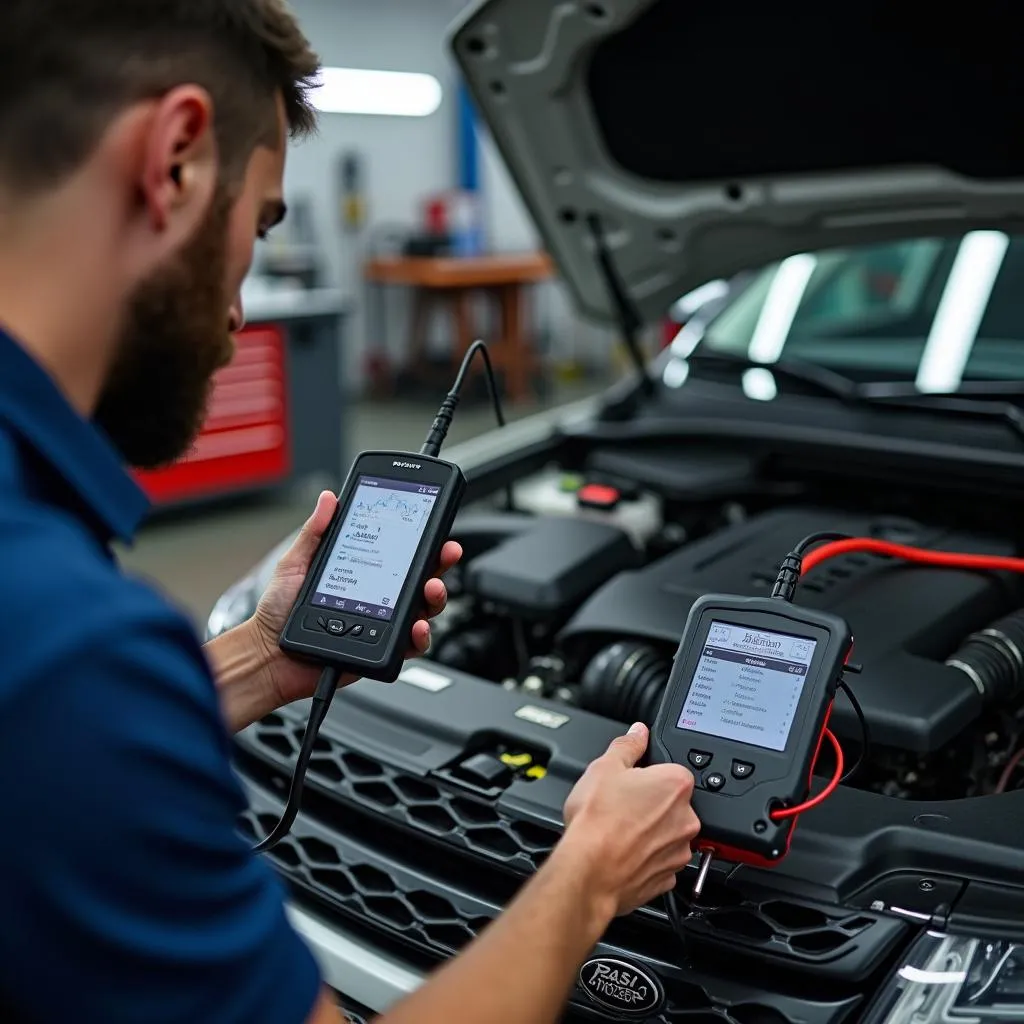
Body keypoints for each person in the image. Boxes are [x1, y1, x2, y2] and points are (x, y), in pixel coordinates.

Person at [0, 2, 702, 1021]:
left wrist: (258, 656)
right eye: (262, 221)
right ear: (177, 160)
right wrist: (591, 869)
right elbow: (64, 709)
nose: (239, 301)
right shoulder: (67, 642)